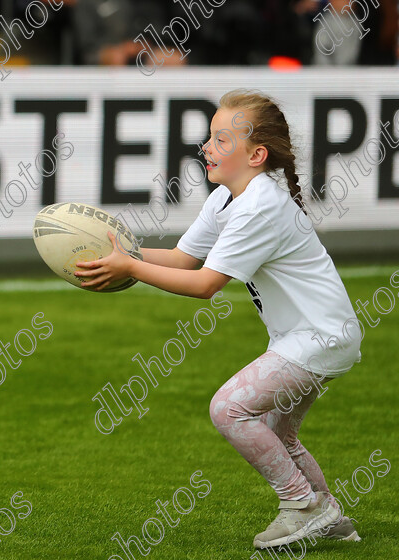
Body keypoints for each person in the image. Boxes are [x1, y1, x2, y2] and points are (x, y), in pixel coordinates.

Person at [75, 90, 362, 549]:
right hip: (315, 334)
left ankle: (302, 507)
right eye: (209, 137)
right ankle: (327, 515)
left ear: (256, 154)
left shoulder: (259, 205)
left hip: (319, 337)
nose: (207, 147)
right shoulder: (229, 198)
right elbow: (182, 259)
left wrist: (129, 268)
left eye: (220, 139)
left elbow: (205, 284)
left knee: (229, 408)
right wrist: (120, 253)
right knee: (276, 432)